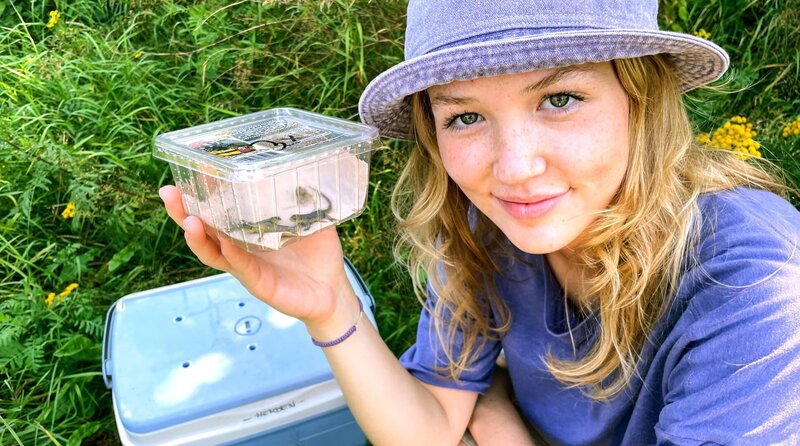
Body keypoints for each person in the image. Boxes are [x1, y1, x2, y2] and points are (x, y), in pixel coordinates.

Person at [160, 0, 800, 444]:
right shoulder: (489, 231)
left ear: (642, 102)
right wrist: (330, 309)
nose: (514, 169)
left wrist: (500, 427)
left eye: (560, 98)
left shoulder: (755, 286)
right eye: (464, 117)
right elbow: (429, 427)